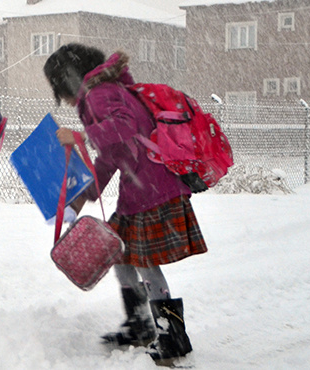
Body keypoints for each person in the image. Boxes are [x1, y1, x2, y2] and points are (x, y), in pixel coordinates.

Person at [43, 43, 208, 363]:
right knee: (121, 254)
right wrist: (83, 197)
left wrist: (78, 136)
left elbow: (124, 128)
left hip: (151, 190)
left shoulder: (99, 94)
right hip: (140, 189)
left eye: (58, 88)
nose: (61, 97)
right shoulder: (103, 92)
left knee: (145, 263)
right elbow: (111, 156)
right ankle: (140, 323)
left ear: (67, 79)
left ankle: (170, 337)